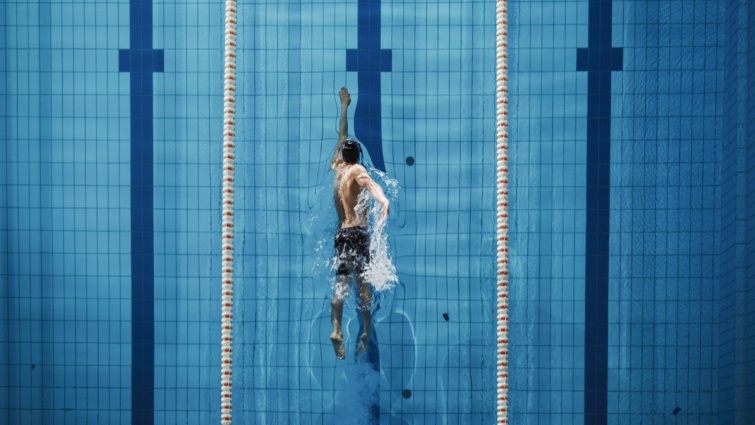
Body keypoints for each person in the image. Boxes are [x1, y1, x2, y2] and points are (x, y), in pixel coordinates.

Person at [329, 87, 390, 360]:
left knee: (341, 283)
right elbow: (372, 185)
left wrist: (344, 106)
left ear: (342, 155)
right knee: (364, 286)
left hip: (342, 235)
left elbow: (342, 136)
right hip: (358, 234)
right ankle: (365, 330)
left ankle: (336, 329)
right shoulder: (357, 170)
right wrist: (383, 200)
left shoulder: (338, 168)